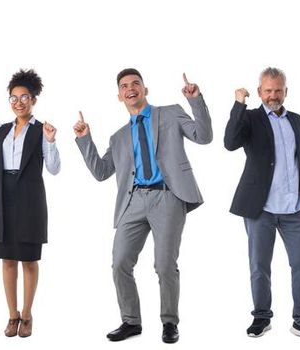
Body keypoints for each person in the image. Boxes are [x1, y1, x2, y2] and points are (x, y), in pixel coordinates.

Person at [73, 69, 212, 344]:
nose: (130, 88)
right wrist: (85, 139)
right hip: (133, 200)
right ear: (119, 96)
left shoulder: (170, 114)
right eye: (124, 86)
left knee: (164, 264)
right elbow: (101, 172)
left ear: (145, 89)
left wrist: (196, 101)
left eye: (136, 83)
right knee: (120, 261)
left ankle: (169, 322)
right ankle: (131, 322)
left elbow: (204, 136)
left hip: (168, 196)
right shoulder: (119, 137)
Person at [225, 67, 300, 343]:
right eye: (268, 91)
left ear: (285, 91)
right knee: (259, 265)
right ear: (260, 92)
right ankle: (261, 317)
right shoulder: (250, 118)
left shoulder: (296, 120)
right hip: (261, 208)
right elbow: (230, 143)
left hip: (294, 207)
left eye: (278, 90)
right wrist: (238, 104)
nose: (273, 96)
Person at [0, 69, 61, 338]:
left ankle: (28, 315)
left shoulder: (42, 130)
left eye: (24, 97)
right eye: (14, 98)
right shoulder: (3, 130)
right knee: (7, 259)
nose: (19, 102)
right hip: (4, 196)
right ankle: (12, 316)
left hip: (31, 199)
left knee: (29, 260)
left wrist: (52, 141)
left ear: (33, 100)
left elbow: (54, 169)